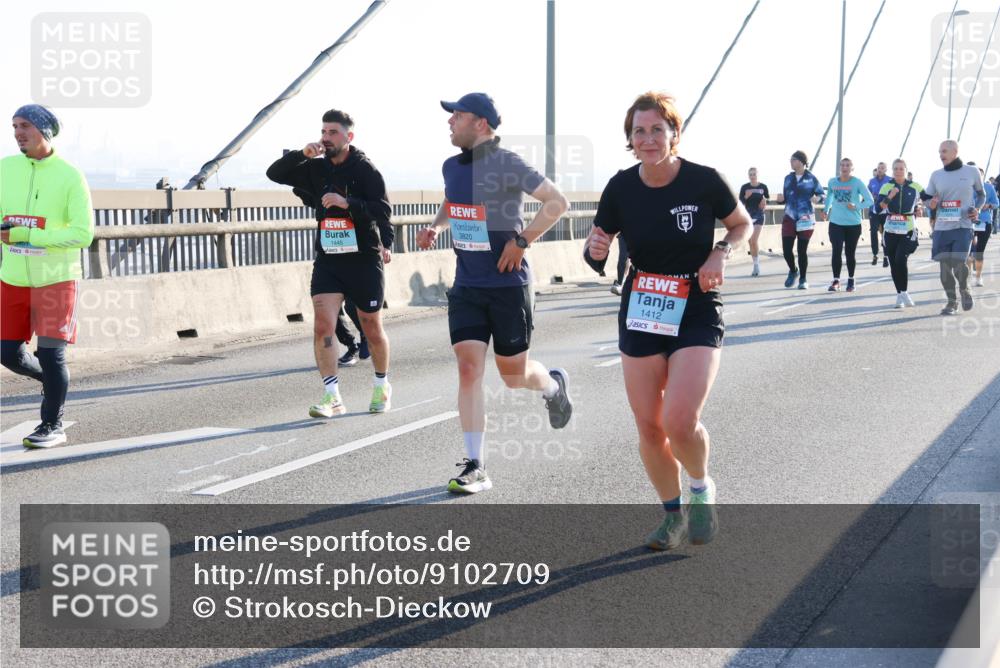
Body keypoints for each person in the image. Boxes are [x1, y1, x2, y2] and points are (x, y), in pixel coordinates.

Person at [584, 92, 751, 550]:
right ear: (630, 139)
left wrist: (720, 252)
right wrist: (595, 251)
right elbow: (597, 246)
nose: (649, 139)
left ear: (674, 134)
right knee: (650, 427)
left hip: (696, 304)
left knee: (679, 419)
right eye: (639, 131)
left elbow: (741, 223)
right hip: (643, 304)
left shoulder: (703, 180)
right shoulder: (620, 187)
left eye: (658, 129)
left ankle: (700, 487)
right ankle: (672, 516)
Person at [416, 92, 573, 494]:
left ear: (480, 123)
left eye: (457, 115)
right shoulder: (451, 166)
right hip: (468, 284)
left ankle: (553, 386)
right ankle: (476, 465)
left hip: (507, 285)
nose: (450, 121)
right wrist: (436, 226)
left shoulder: (507, 163)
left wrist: (522, 241)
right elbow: (453, 200)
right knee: (469, 369)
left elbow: (557, 202)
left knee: (514, 376)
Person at [266, 109, 394, 415]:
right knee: (323, 325)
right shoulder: (316, 167)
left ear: (349, 137)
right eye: (323, 132)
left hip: (363, 259)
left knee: (371, 326)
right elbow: (275, 174)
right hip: (329, 259)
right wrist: (301, 154)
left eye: (332, 132)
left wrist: (348, 203)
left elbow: (382, 210)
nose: (325, 138)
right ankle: (332, 396)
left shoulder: (365, 169)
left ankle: (381, 385)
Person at [1, 105, 94, 448]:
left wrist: (30, 236)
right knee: (7, 354)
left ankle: (52, 424)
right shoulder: (5, 169)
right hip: (13, 278)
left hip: (56, 279)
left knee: (52, 354)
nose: (17, 132)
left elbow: (83, 234)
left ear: (45, 130)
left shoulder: (70, 175)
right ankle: (51, 381)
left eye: (25, 125)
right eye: (14, 126)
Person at [923, 140, 986, 315]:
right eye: (939, 152)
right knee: (944, 267)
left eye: (944, 151)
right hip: (942, 227)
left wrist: (977, 209)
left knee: (959, 262)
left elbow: (981, 195)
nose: (940, 155)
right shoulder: (936, 175)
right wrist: (931, 203)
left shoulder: (972, 171)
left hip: (963, 225)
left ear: (955, 151)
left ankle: (964, 288)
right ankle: (951, 302)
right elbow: (926, 199)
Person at [775, 150, 825, 289]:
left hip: (805, 218)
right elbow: (785, 198)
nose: (791, 162)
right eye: (790, 160)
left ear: (802, 162)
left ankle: (803, 279)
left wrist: (817, 198)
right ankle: (793, 270)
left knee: (802, 251)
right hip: (789, 217)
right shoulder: (788, 178)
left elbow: (822, 194)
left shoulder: (811, 178)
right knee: (786, 250)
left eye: (793, 160)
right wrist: (780, 200)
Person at [877, 159, 923, 307]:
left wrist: (920, 207)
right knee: (893, 263)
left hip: (907, 229)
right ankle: (901, 294)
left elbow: (927, 199)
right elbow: (879, 207)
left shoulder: (915, 186)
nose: (898, 171)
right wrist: (890, 196)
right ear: (892, 170)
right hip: (890, 229)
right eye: (896, 168)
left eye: (901, 168)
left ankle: (903, 293)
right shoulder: (886, 186)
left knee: (900, 259)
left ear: (906, 170)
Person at [825, 157, 873, 292]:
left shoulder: (857, 182)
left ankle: (851, 280)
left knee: (849, 253)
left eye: (847, 165)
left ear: (852, 168)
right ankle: (836, 280)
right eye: (842, 165)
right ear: (839, 167)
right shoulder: (832, 182)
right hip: (836, 222)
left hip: (853, 224)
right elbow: (829, 197)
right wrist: (826, 210)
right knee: (836, 250)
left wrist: (856, 206)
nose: (845, 167)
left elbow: (870, 200)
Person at [968, 166, 997, 287]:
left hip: (984, 223)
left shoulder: (989, 187)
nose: (978, 177)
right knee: (969, 251)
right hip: (969, 222)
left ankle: (978, 277)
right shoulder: (966, 187)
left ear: (983, 176)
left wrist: (989, 205)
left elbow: (996, 203)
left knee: (979, 252)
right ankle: (968, 274)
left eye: (980, 174)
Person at [738, 167, 770, 276]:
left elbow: (768, 199)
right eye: (750, 174)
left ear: (758, 175)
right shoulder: (744, 187)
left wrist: (765, 201)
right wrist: (745, 197)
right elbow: (740, 203)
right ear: (748, 176)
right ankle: (755, 263)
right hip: (747, 216)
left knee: (754, 240)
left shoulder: (763, 187)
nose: (752, 176)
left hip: (759, 215)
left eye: (754, 174)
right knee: (750, 242)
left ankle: (757, 267)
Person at [868, 162, 892, 267]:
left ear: (886, 170)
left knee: (885, 234)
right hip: (874, 211)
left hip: (885, 211)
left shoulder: (890, 180)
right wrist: (871, 197)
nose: (880, 170)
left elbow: (893, 194)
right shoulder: (872, 181)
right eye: (878, 168)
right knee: (873, 232)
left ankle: (886, 256)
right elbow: (867, 193)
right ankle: (875, 254)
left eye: (882, 168)